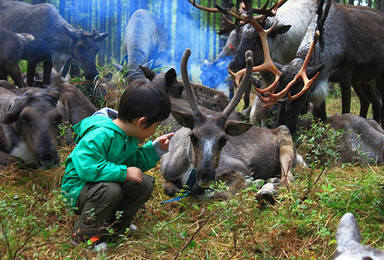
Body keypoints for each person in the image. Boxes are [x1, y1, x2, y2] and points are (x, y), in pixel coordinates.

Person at [61, 78, 174, 251]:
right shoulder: (100, 135)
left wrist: (154, 150)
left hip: (101, 184)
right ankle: (85, 235)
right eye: (156, 125)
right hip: (79, 190)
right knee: (110, 190)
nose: (156, 130)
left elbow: (132, 161)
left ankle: (114, 225)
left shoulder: (128, 135)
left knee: (144, 183)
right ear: (142, 122)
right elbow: (87, 168)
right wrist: (123, 173)